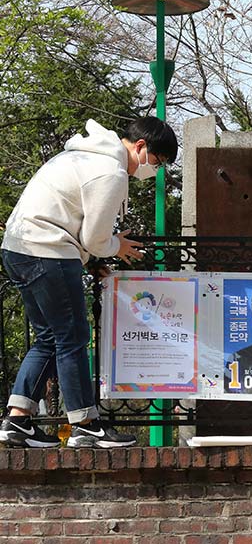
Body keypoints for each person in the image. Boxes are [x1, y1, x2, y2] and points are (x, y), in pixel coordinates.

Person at [0, 117, 177, 448]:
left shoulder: (82, 156)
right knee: (74, 337)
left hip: (18, 250)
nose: (155, 169)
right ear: (141, 147)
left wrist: (93, 259)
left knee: (50, 338)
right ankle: (86, 425)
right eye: (158, 161)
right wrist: (115, 247)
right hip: (48, 251)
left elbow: (73, 220)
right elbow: (95, 238)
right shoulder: (110, 172)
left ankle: (17, 420)